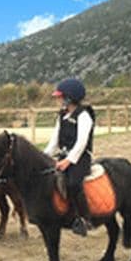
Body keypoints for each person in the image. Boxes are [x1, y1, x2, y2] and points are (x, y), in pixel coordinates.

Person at [44, 78, 95, 237]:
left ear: (68, 97)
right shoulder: (62, 116)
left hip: (80, 158)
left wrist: (68, 161)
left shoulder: (84, 115)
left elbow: (81, 142)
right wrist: (42, 158)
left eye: (60, 97)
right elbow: (54, 142)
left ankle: (83, 218)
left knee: (73, 183)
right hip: (63, 156)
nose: (58, 100)